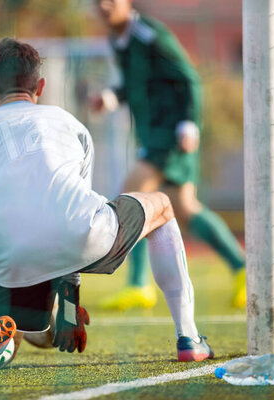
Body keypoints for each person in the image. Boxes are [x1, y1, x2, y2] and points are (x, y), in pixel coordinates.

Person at [0, 38, 214, 375]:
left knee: (6, 318)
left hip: (10, 255)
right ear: (40, 86)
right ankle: (188, 338)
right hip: (82, 240)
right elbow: (71, 207)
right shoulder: (70, 124)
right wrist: (70, 307)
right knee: (161, 205)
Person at [90, 0, 246, 310]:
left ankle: (137, 285)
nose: (104, 6)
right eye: (98, 2)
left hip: (170, 136)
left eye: (111, 0)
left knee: (131, 196)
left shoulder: (150, 34)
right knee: (186, 209)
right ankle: (243, 268)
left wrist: (190, 123)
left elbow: (188, 77)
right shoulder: (118, 39)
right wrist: (111, 97)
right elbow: (137, 84)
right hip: (154, 134)